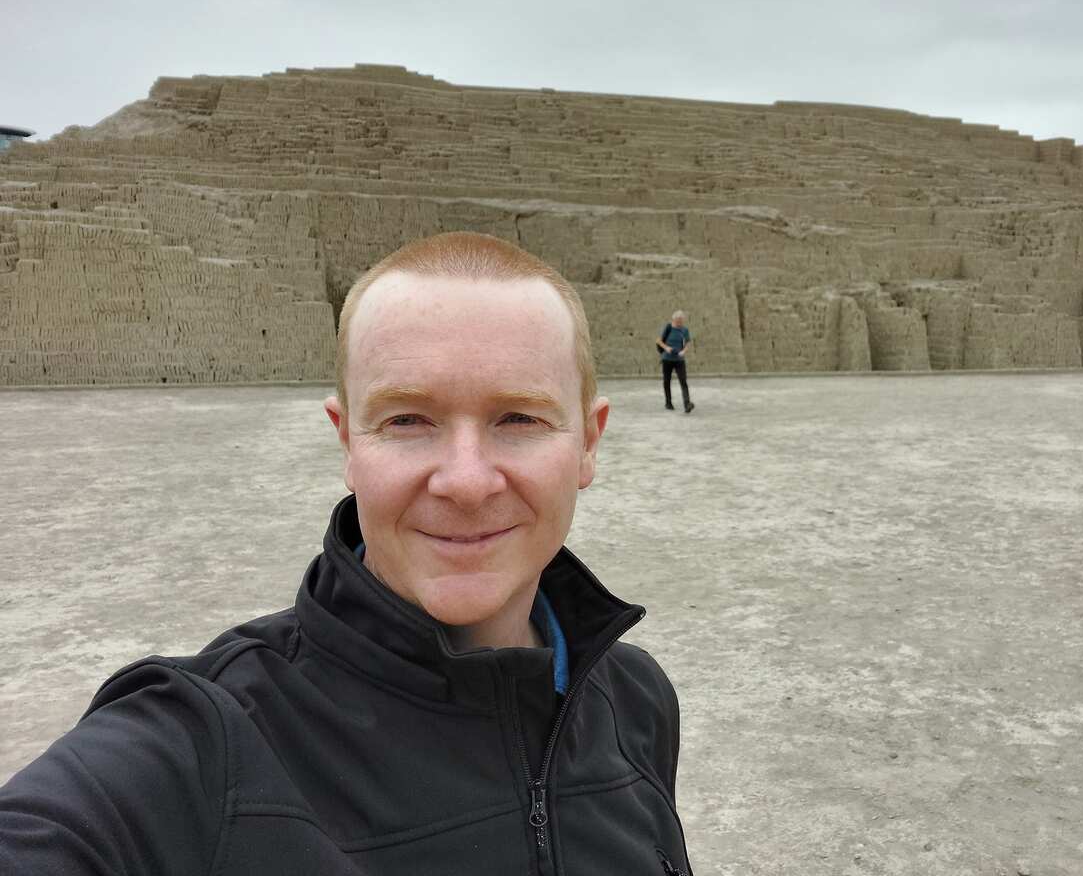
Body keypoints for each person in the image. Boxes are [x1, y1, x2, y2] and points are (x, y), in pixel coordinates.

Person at [0, 232, 692, 875]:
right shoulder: (201, 744)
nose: (466, 481)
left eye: (519, 418)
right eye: (406, 420)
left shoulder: (635, 699)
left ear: (588, 443)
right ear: (347, 443)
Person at [657, 310, 695, 413]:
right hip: (667, 359)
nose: (679, 323)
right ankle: (668, 403)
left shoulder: (685, 330)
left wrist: (683, 351)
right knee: (667, 381)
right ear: (673, 319)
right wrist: (667, 348)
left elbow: (687, 343)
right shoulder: (668, 328)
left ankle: (687, 404)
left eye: (681, 321)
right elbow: (659, 341)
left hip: (679, 359)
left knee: (683, 381)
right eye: (678, 321)